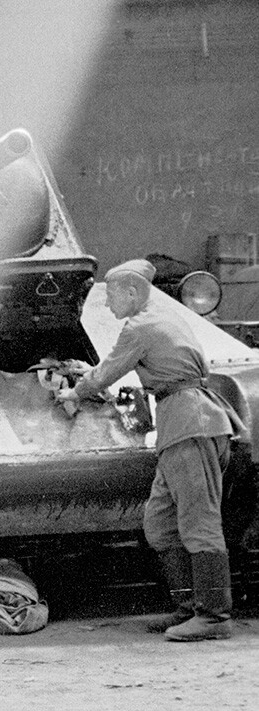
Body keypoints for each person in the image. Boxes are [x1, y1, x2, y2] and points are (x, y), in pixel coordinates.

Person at [58, 259, 244, 641]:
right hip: (185, 422)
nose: (107, 305)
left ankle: (213, 616)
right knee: (160, 523)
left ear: (131, 292)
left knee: (198, 522)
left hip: (189, 424)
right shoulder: (163, 319)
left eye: (111, 296)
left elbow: (108, 371)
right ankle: (188, 607)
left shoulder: (140, 325)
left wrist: (74, 391)